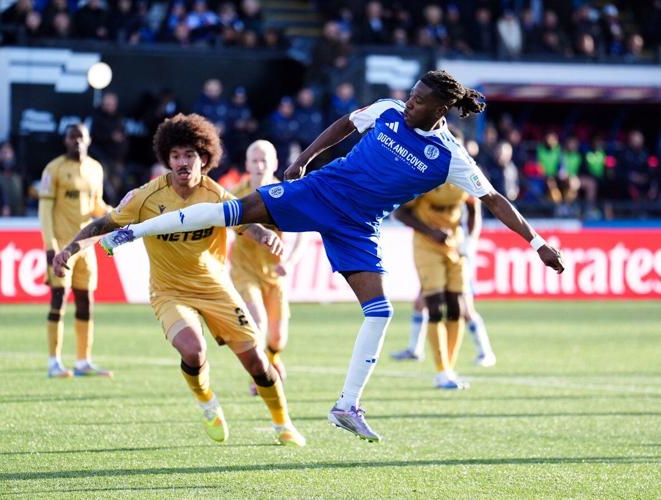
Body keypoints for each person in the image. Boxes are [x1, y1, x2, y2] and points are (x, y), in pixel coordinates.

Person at [98, 70, 565, 443]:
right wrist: (304, 158)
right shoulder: (386, 111)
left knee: (379, 313)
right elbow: (346, 124)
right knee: (230, 211)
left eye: (419, 100)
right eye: (411, 94)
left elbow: (496, 200)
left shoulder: (451, 157)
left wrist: (538, 244)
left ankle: (347, 406)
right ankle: (133, 232)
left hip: (358, 227)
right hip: (320, 191)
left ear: (441, 109)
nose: (409, 102)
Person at [52, 114, 306, 447]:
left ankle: (282, 423)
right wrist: (69, 250)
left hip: (215, 288)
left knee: (257, 362)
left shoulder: (216, 195)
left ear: (204, 158)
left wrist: (264, 237)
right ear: (167, 159)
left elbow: (246, 221)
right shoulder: (145, 197)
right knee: (193, 350)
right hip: (169, 290)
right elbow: (103, 225)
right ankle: (207, 403)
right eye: (175, 156)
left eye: (189, 155)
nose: (182, 162)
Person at [392, 185, 493, 389]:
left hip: (455, 247)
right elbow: (400, 213)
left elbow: (474, 209)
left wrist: (471, 241)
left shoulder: (464, 179)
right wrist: (430, 232)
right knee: (435, 307)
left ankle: (450, 370)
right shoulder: (427, 179)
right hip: (426, 248)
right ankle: (441, 371)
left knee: (458, 308)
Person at [230, 140, 307, 396]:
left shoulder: (284, 192)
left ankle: (272, 358)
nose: (260, 165)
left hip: (274, 274)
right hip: (244, 272)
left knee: (277, 339)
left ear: (275, 163)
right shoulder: (236, 195)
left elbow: (302, 233)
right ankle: (259, 377)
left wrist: (290, 261)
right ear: (247, 164)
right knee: (258, 321)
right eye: (255, 160)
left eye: (265, 160)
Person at [38, 123, 113, 379]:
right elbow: (45, 211)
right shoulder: (54, 169)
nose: (77, 142)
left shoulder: (95, 169)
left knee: (86, 301)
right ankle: (53, 362)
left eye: (81, 138)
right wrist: (50, 246)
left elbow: (96, 206)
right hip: (61, 246)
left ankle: (83, 361)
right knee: (58, 298)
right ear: (65, 141)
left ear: (89, 140)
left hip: (86, 246)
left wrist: (115, 214)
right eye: (73, 138)